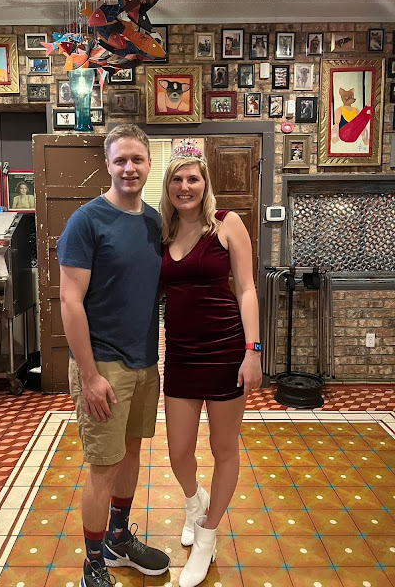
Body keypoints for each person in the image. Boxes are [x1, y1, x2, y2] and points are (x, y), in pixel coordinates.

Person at [57, 124, 169, 587]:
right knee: (103, 467)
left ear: (149, 164)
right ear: (107, 164)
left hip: (144, 362)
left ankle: (118, 539)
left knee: (131, 454)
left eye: (137, 159)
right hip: (102, 364)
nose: (129, 168)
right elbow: (69, 300)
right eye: (120, 160)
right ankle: (93, 563)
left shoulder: (154, 222)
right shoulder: (87, 221)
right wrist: (88, 375)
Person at [159, 141, 262, 587]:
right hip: (181, 354)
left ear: (205, 183)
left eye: (193, 178)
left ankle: (207, 534)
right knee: (178, 451)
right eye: (177, 179)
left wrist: (253, 350)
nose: (185, 186)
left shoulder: (226, 223)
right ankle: (193, 501)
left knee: (224, 449)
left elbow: (247, 288)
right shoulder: (162, 232)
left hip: (225, 351)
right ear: (168, 186)